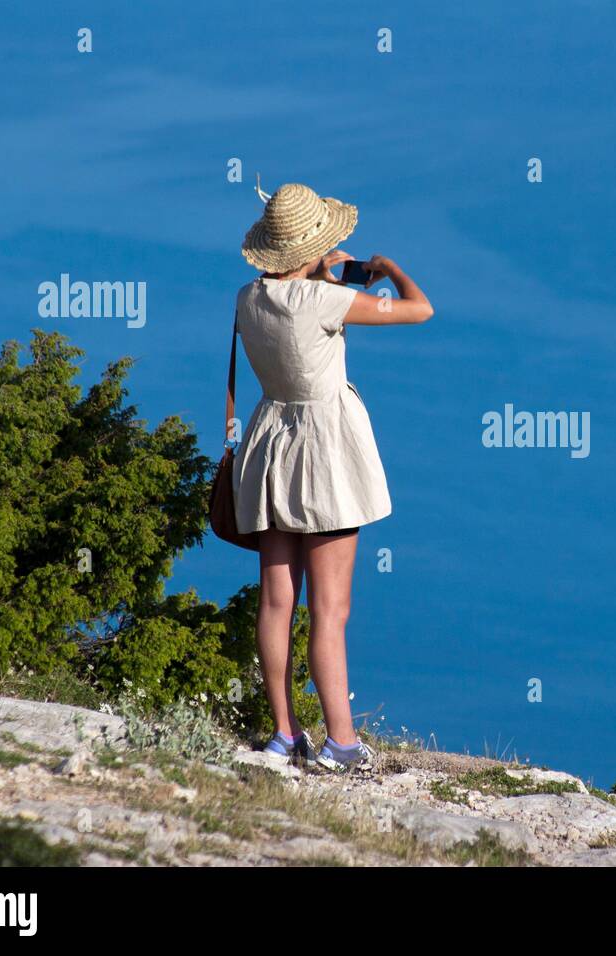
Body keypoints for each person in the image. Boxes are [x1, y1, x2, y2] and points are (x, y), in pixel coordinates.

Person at [233, 179, 432, 772]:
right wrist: (387, 267)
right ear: (314, 248)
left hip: (271, 445)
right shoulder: (326, 301)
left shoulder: (248, 297)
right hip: (324, 456)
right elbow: (419, 309)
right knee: (330, 610)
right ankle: (341, 743)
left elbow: (288, 311)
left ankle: (282, 734)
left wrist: (320, 275)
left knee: (276, 602)